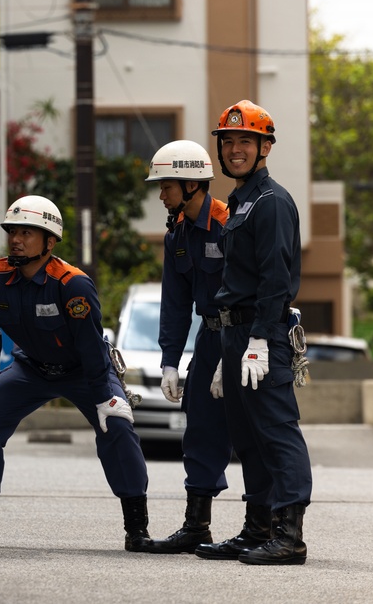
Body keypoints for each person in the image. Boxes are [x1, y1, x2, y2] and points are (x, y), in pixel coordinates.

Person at [0, 195, 160, 553]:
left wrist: (105, 397)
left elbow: (92, 348)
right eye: (12, 231)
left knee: (117, 427)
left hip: (85, 371)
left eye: (27, 232)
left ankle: (137, 529)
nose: (16, 238)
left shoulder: (73, 284)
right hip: (30, 369)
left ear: (50, 241)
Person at [194, 100, 312, 566]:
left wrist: (261, 340)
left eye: (246, 141)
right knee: (247, 437)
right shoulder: (240, 203)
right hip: (235, 336)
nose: (236, 149)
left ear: (265, 148)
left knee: (278, 433)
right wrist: (231, 348)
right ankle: (257, 528)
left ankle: (290, 536)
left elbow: (275, 279)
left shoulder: (272, 202)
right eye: (229, 142)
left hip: (260, 335)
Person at [142, 140, 233, 553]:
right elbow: (175, 305)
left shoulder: (230, 224)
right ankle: (197, 526)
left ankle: (269, 525)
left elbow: (249, 293)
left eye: (166, 186)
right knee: (199, 432)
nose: (161, 194)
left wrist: (236, 349)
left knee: (255, 434)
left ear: (192, 185)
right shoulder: (177, 235)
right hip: (209, 339)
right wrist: (169, 363)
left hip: (246, 337)